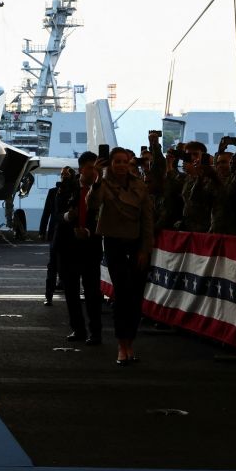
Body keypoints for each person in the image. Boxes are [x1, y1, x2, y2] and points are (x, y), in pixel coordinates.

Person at [87, 146, 154, 366]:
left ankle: (130, 342)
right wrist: (96, 180)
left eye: (125, 161)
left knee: (136, 297)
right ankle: (121, 345)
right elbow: (93, 204)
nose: (121, 166)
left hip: (136, 245)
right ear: (111, 164)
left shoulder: (139, 186)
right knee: (123, 295)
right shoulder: (104, 185)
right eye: (117, 162)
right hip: (115, 243)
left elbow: (147, 221)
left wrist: (145, 249)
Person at [57, 152, 104, 346]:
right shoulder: (68, 188)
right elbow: (57, 214)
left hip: (91, 246)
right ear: (81, 169)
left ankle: (95, 332)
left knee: (93, 292)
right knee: (71, 292)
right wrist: (69, 216)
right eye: (90, 168)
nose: (94, 172)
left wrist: (89, 232)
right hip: (69, 247)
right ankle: (78, 328)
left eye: (96, 168)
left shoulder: (101, 189)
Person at [38, 170, 68, 306]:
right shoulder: (53, 192)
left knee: (57, 265)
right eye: (63, 175)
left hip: (65, 233)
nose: (64, 177)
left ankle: (52, 293)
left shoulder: (72, 192)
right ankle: (49, 295)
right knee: (53, 265)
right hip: (56, 233)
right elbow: (47, 212)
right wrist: (42, 230)